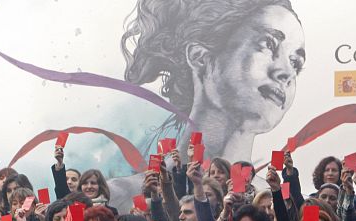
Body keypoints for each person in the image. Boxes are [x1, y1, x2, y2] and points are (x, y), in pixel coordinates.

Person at [122, 0, 304, 163]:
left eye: (295, 63)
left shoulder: (282, 200)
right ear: (200, 57)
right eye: (268, 44)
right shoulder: (120, 194)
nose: (287, 72)